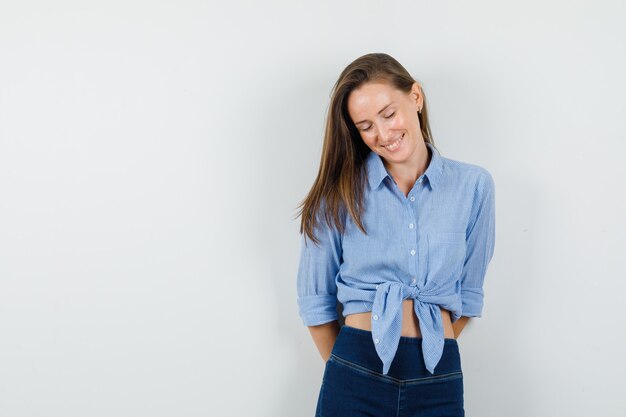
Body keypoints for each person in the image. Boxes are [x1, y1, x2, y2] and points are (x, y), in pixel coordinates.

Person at [295, 52, 496, 416]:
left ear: (415, 98)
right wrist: (349, 372)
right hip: (356, 369)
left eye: (388, 114)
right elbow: (315, 301)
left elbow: (468, 295)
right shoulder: (338, 192)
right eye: (365, 125)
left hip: (438, 375)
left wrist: (431, 349)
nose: (383, 133)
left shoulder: (474, 186)